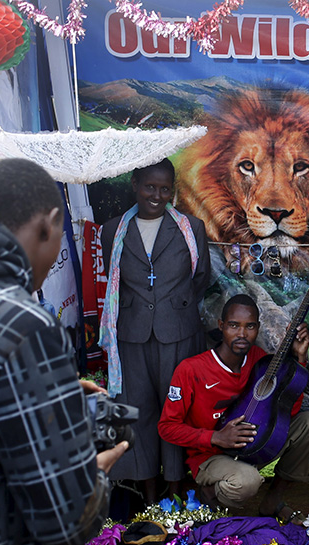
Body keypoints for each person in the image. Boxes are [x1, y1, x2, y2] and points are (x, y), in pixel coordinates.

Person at [0, 158, 128, 545]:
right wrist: (95, 470)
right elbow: (60, 515)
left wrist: (40, 393)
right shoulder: (23, 324)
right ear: (49, 226)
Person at [100, 158, 211, 505]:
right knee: (139, 412)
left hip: (178, 332)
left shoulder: (191, 228)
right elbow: (114, 280)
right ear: (134, 184)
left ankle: (176, 492)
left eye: (165, 189)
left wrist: (170, 309)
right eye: (150, 187)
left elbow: (201, 278)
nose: (157, 195)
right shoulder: (112, 230)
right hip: (131, 336)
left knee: (175, 410)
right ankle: (148, 495)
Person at [158, 294, 309, 519]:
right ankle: (208, 494)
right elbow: (167, 427)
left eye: (250, 326)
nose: (242, 334)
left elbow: (286, 411)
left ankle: (273, 500)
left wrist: (300, 358)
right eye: (234, 325)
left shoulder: (259, 359)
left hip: (255, 446)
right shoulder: (191, 370)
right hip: (210, 457)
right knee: (247, 481)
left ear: (258, 328)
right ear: (221, 326)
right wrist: (215, 437)